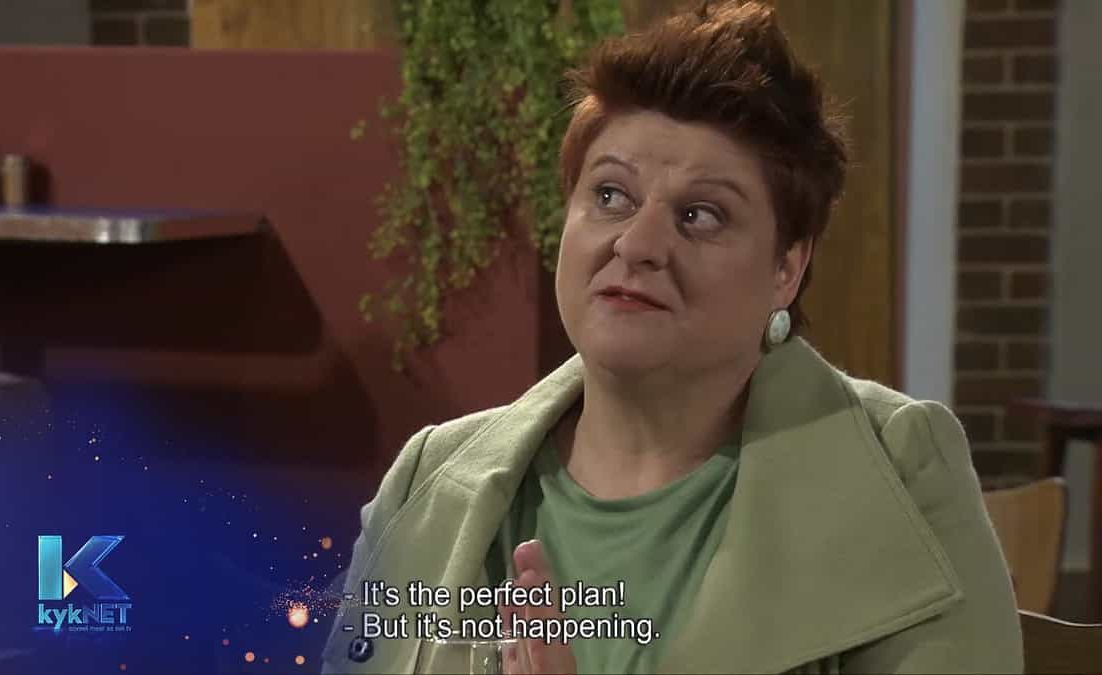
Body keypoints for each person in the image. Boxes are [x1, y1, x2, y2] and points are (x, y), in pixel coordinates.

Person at [323, 1, 1023, 672]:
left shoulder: (902, 468)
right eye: (610, 196)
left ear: (786, 268)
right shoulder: (427, 478)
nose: (638, 243)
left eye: (700, 215)